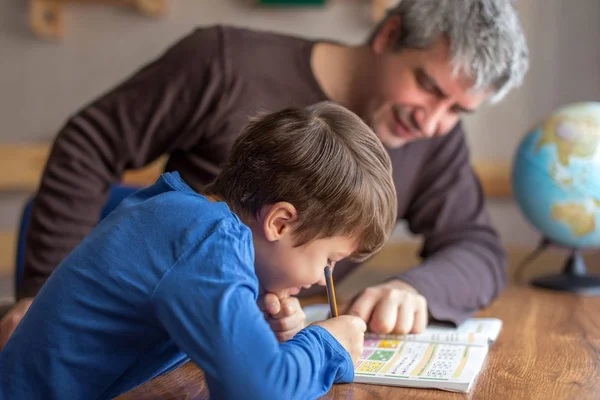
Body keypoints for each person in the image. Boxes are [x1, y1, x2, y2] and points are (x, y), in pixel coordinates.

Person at [0, 0, 530, 347]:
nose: (434, 122)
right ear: (389, 33)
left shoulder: (432, 140)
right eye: (429, 87)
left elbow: (477, 248)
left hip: (253, 342)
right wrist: (44, 295)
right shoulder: (223, 62)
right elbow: (89, 143)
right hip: (153, 336)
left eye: (459, 110)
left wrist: (415, 288)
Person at [0, 102, 397, 399]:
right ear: (279, 222)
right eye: (329, 263)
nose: (319, 278)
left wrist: (258, 323)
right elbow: (258, 392)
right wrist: (324, 345)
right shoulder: (210, 242)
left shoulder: (183, 214)